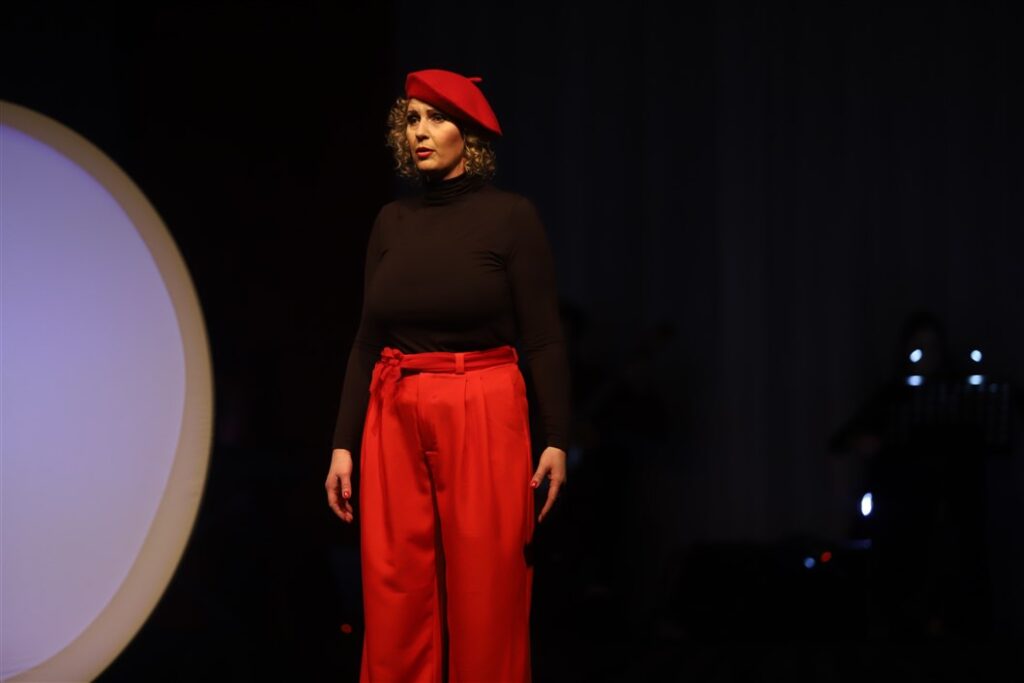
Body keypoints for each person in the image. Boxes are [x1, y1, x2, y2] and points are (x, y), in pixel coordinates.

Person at [324, 68, 571, 682]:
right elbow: (366, 339)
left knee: (486, 589)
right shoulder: (391, 221)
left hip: (481, 400)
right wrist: (342, 444)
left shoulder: (510, 217)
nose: (420, 132)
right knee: (395, 590)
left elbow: (543, 337)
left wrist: (557, 437)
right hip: (394, 406)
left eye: (436, 118)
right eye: (411, 119)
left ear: (470, 133)